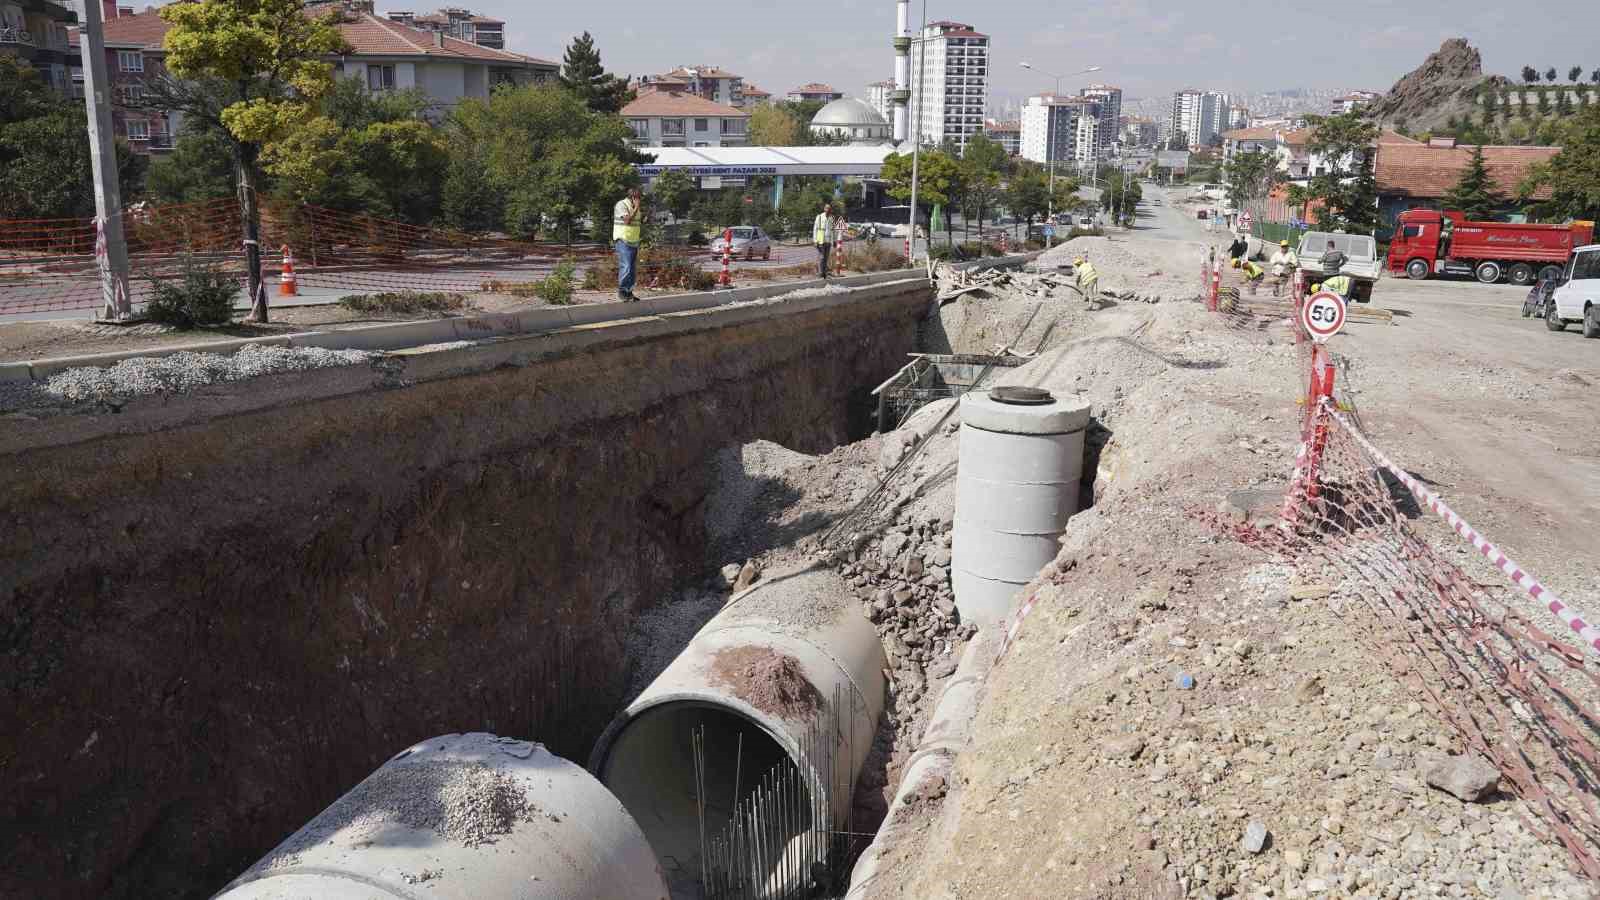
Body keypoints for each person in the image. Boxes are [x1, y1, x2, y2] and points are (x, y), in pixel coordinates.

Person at [612, 186, 643, 302]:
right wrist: (636, 208)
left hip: (633, 240)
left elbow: (638, 221)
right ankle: (622, 291)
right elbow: (627, 221)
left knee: (632, 269)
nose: (640, 199)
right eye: (638, 197)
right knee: (626, 266)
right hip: (623, 239)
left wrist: (648, 217)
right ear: (633, 197)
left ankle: (629, 292)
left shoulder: (635, 207)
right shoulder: (622, 205)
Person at [813, 202, 838, 278]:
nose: (828, 209)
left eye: (829, 208)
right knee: (822, 257)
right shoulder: (819, 217)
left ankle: (824, 273)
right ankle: (820, 273)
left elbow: (833, 230)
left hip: (828, 241)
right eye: (826, 208)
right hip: (820, 240)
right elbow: (815, 229)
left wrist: (834, 240)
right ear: (824, 209)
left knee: (826, 258)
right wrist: (815, 240)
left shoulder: (832, 218)